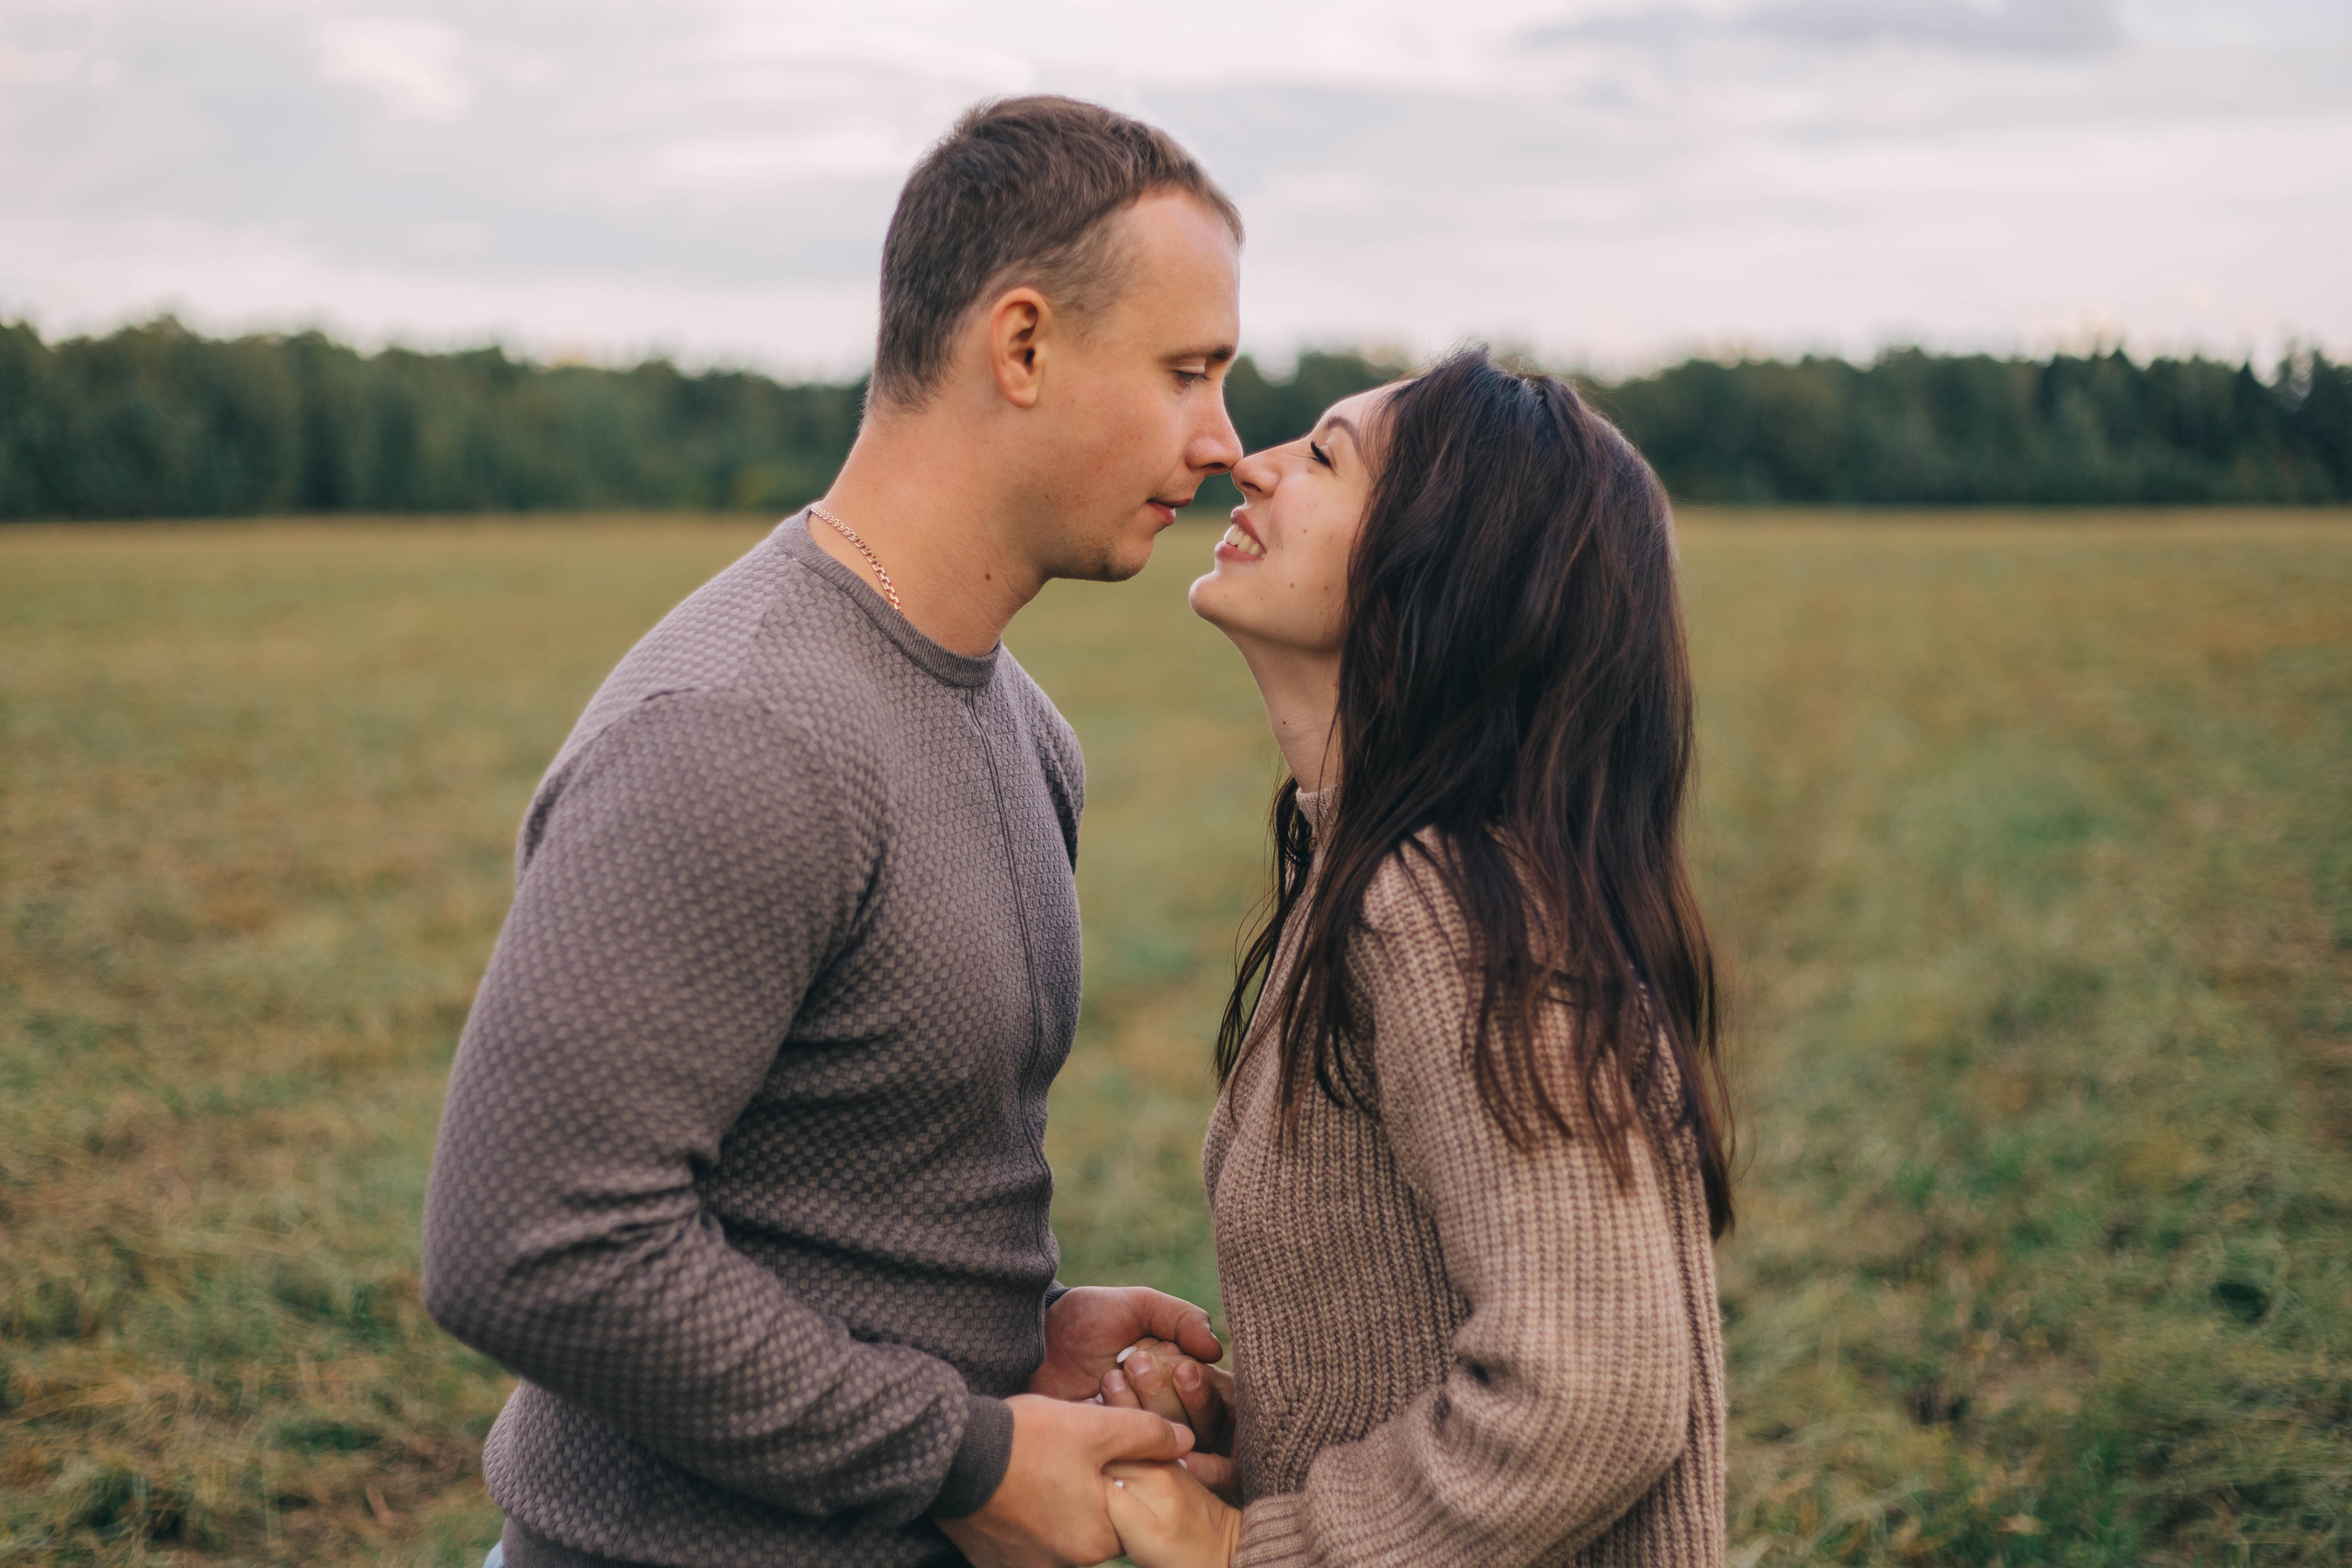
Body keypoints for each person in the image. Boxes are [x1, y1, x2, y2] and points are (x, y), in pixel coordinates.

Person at [421, 96, 1250, 1568]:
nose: (1221, 438)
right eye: (1189, 371)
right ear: (1024, 347)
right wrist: (966, 1451)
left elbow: (850, 1190)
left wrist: (1019, 1351)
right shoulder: (740, 729)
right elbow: (532, 1244)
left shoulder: (1022, 725)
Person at [1092, 349, 1736, 1567]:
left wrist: (1251, 1553)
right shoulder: (1389, 876)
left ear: (1447, 572)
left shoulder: (1447, 905)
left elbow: (1591, 1399)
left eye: (1325, 456)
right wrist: (1266, 1440)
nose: (1251, 463)